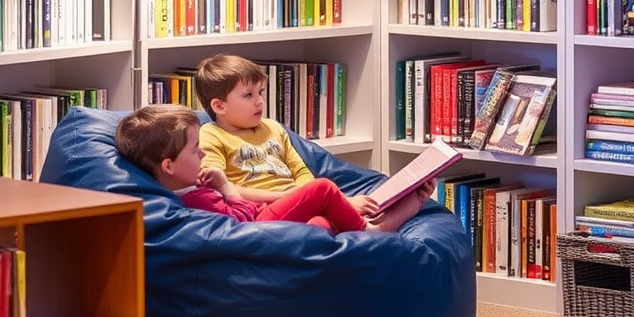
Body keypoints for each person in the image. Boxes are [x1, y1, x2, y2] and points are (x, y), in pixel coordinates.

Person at [115, 101, 430, 235]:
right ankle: (371, 231)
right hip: (259, 227)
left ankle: (357, 222)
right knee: (321, 189)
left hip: (266, 222)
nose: (202, 156)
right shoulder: (194, 199)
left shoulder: (191, 187)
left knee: (320, 224)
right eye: (195, 151)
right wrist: (225, 189)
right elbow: (237, 224)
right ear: (168, 165)